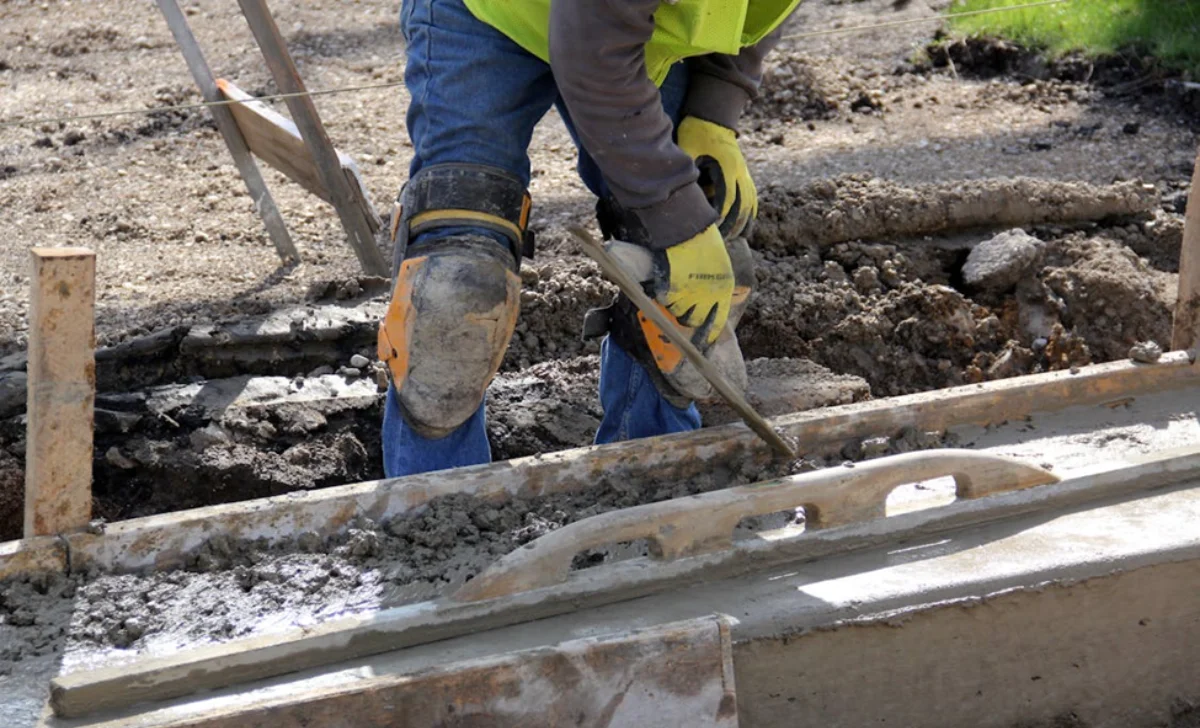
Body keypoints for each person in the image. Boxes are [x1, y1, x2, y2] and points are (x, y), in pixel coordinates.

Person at [377, 0, 799, 478]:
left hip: (634, 30)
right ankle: (436, 507)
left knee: (687, 281)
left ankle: (656, 479)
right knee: (455, 289)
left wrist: (713, 112)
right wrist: (676, 218)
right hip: (488, 13)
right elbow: (589, 56)